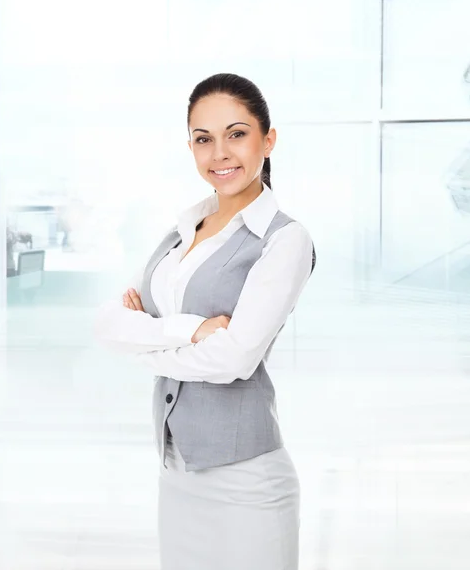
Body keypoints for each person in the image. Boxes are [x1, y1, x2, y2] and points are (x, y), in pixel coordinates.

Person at [94, 73, 316, 570]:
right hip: (176, 472)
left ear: (268, 139)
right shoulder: (180, 230)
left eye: (236, 134)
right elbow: (108, 324)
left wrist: (145, 345)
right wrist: (189, 331)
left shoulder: (284, 240)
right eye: (203, 139)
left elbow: (234, 359)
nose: (220, 153)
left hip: (248, 483)